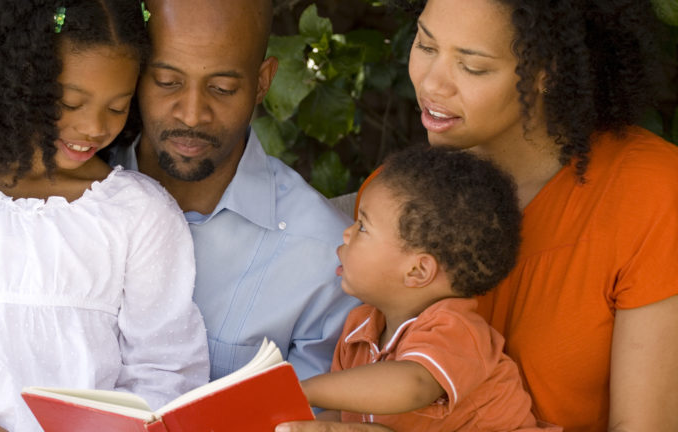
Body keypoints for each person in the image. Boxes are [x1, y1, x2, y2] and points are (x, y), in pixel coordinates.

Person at [279, 0, 678, 431]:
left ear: (549, 71)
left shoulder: (651, 192)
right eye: (426, 46)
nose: (432, 83)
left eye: (472, 67)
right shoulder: (396, 199)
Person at [0, 1, 209, 431]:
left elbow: (165, 368)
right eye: (69, 102)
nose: (93, 127)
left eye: (117, 106)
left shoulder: (138, 213)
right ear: (14, 82)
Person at [107, 0, 361, 382]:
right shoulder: (58, 200)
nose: (192, 115)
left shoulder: (328, 259)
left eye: (223, 89)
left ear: (262, 82)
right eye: (167, 82)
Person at [299, 145, 559, 431]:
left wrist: (302, 389)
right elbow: (341, 417)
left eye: (362, 227)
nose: (346, 234)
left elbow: (413, 385)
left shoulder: (456, 329)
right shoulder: (357, 330)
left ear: (418, 271)